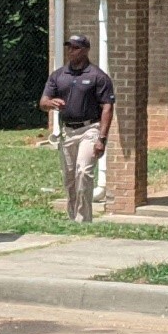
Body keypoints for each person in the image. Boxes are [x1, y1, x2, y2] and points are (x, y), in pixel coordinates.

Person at [39, 34, 115, 223]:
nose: (71, 51)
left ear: (86, 50)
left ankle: (83, 219)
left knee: (83, 172)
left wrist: (102, 138)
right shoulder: (58, 76)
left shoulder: (97, 76)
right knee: (70, 178)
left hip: (90, 129)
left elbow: (107, 106)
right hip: (68, 132)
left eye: (75, 48)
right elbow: (43, 102)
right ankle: (72, 217)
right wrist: (50, 102)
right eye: (69, 47)